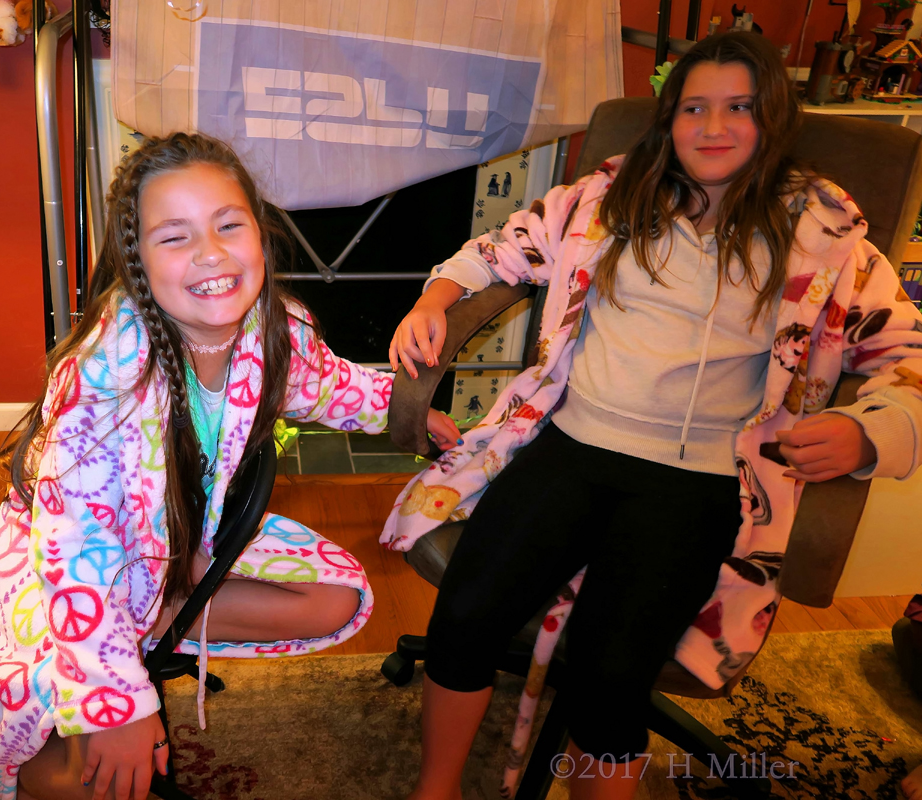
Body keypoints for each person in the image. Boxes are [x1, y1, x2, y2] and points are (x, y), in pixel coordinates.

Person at [383, 32, 922, 800]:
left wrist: (871, 431)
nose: (713, 127)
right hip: (575, 443)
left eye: (739, 107)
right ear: (668, 119)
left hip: (696, 479)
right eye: (694, 108)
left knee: (611, 677)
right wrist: (435, 298)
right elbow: (500, 248)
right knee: (466, 615)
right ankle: (434, 791)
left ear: (773, 119)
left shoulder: (824, 239)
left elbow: (907, 356)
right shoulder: (605, 201)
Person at [0, 132, 460, 800]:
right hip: (69, 573)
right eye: (175, 236)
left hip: (178, 544)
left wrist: (404, 413)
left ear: (259, 235)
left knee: (336, 598)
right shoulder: (106, 377)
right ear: (138, 264)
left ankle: (161, 614)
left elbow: (330, 385)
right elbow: (76, 547)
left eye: (228, 225)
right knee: (88, 768)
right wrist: (117, 705)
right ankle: (70, 737)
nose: (211, 253)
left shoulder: (275, 329)